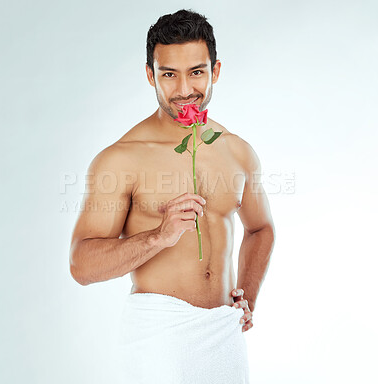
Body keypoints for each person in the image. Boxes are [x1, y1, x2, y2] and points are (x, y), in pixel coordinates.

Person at [69, 8, 275, 384]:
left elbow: (261, 229)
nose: (184, 90)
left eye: (196, 71)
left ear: (215, 71)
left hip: (224, 331)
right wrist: (158, 236)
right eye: (169, 74)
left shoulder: (238, 151)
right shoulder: (121, 158)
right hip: (158, 333)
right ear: (151, 75)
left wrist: (247, 294)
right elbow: (81, 265)